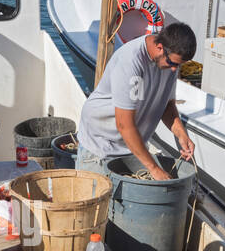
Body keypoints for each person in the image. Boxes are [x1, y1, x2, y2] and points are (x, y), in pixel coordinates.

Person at [76, 23, 196, 182]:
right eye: (173, 64)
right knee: (97, 205)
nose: (175, 70)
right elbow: (124, 125)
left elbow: (167, 105)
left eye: (179, 65)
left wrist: (181, 134)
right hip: (101, 146)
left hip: (132, 147)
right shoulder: (131, 61)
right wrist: (154, 169)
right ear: (160, 47)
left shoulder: (169, 63)